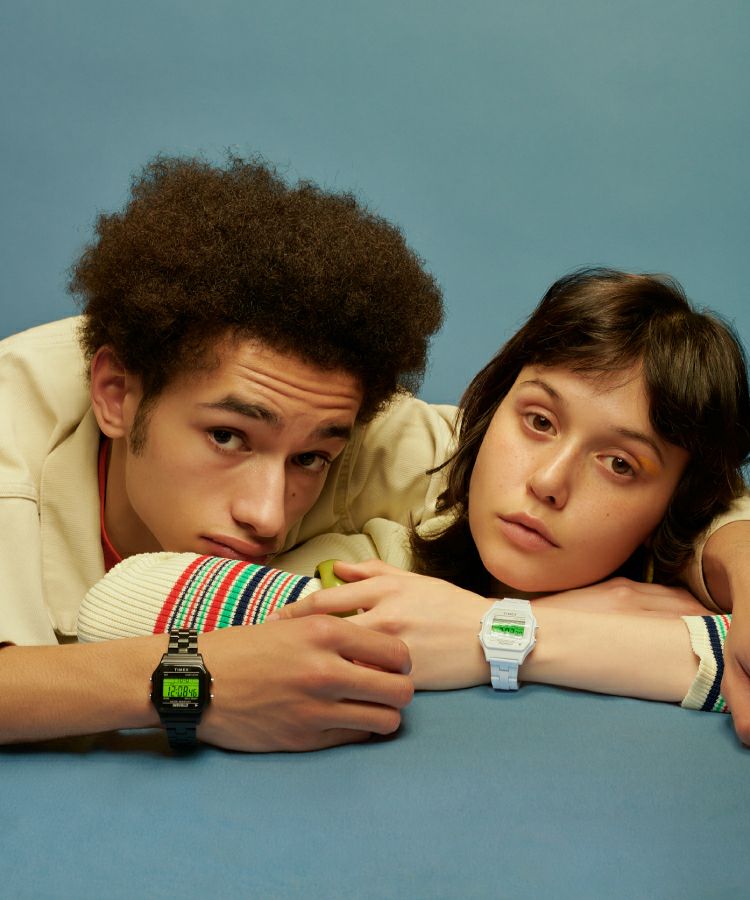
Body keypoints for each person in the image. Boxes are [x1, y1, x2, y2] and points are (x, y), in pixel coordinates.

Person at [79, 269, 750, 740]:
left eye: (620, 464)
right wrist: (508, 633)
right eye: (539, 422)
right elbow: (118, 607)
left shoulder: (677, 588)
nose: (549, 480)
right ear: (487, 416)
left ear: (677, 505)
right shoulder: (391, 558)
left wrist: (499, 632)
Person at [0, 153, 452, 751]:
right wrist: (192, 678)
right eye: (227, 437)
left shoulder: (336, 411)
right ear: (116, 394)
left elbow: (543, 485)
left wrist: (516, 635)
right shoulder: (12, 423)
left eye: (310, 459)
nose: (267, 516)